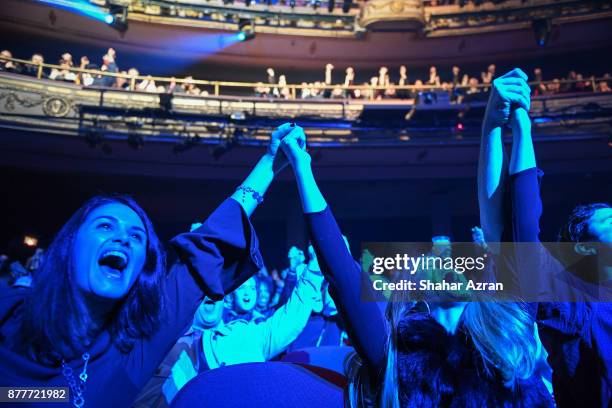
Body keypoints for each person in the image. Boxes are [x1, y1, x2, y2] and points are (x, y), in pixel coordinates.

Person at [278, 69, 553, 407]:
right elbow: (342, 274)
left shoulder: (506, 332)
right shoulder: (393, 354)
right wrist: (301, 166)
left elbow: (521, 232)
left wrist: (510, 123)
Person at [0, 123, 298, 408]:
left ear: (142, 267)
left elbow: (209, 247)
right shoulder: (10, 315)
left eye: (136, 235)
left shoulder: (135, 345)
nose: (123, 239)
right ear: (69, 245)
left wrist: (270, 163)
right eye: (105, 226)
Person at [477, 69, 612, 407]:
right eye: (610, 220)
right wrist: (512, 124)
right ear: (585, 247)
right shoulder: (581, 303)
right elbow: (518, 232)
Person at [133, 255, 324, 407]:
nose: (210, 292)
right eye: (202, 286)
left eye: (216, 287)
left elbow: (288, 321)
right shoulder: (159, 342)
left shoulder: (243, 337)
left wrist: (314, 271)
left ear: (225, 297)